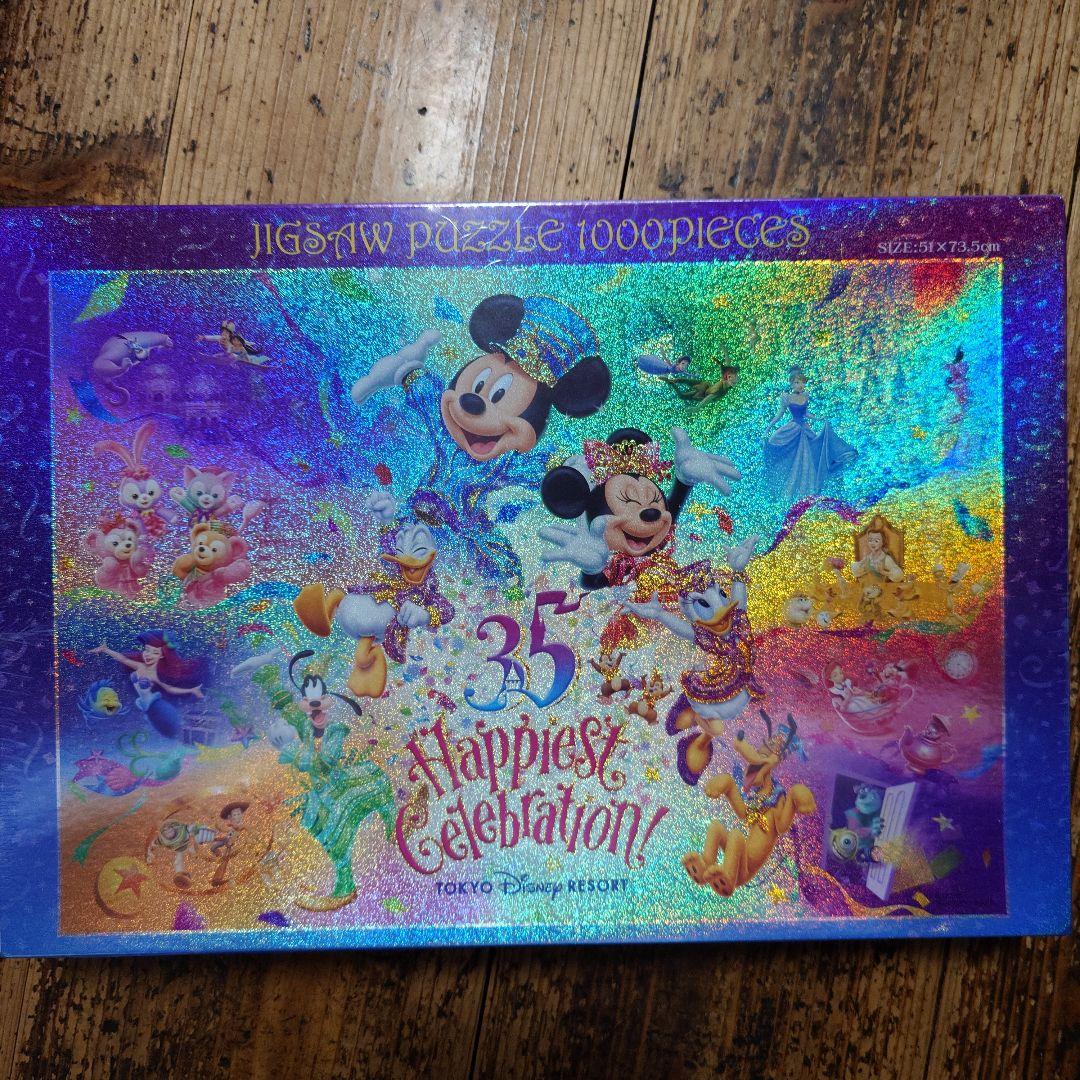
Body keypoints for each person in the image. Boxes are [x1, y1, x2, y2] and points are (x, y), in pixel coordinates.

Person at [763, 366, 856, 501]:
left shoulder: (805, 396)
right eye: (796, 382)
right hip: (793, 429)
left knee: (812, 451)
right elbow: (779, 415)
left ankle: (812, 487)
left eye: (802, 382)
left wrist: (818, 418)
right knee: (786, 449)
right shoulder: (787, 397)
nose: (800, 385)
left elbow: (806, 413)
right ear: (791, 384)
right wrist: (768, 428)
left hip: (805, 429)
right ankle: (796, 488)